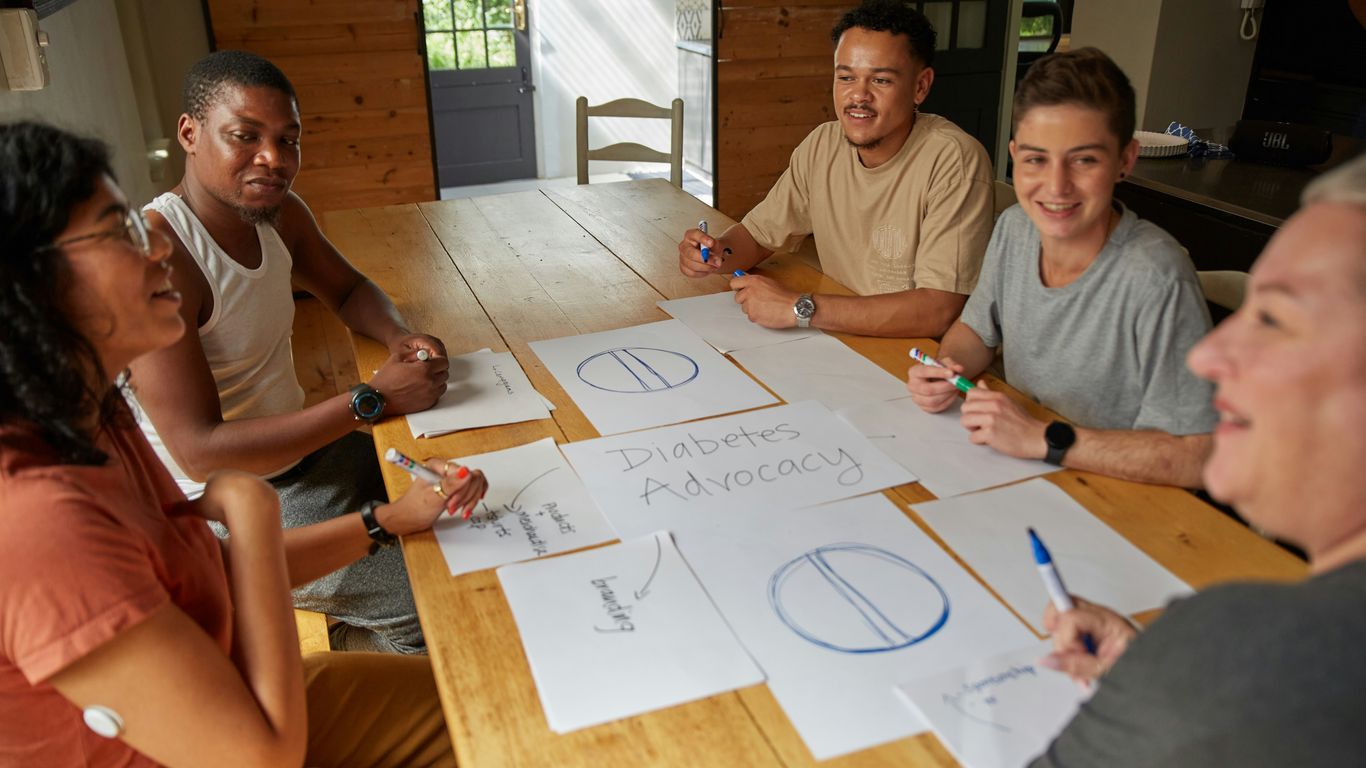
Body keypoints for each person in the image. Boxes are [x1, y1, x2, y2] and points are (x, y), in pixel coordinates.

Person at [0, 121, 487, 767]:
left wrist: (387, 519)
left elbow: (208, 577)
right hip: (241, 736)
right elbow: (260, 756)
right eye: (118, 231)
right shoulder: (39, 521)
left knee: (480, 703)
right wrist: (253, 513)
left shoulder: (95, 413)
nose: (155, 250)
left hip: (235, 684)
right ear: (30, 285)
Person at [1030, 154, 1366, 766]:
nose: (1209, 352)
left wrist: (1190, 678)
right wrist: (1160, 686)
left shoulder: (1251, 652)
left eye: (1271, 319)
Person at [127, 51, 450, 653]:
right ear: (189, 134)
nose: (273, 159)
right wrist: (368, 400)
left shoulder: (277, 214)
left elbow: (351, 289)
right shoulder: (162, 258)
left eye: (288, 140)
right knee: (429, 598)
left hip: (303, 457)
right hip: (220, 507)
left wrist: (398, 336)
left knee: (455, 501)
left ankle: (349, 614)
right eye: (244, 137)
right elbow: (199, 453)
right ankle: (375, 661)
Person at [905, 48, 1214, 487]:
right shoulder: (1015, 227)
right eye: (1036, 159)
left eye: (1084, 160)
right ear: (1014, 154)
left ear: (1125, 160)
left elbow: (1196, 457)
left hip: (1121, 496)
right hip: (1021, 472)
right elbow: (976, 331)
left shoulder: (1157, 276)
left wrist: (1043, 438)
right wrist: (947, 368)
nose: (1056, 186)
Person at [677, 0, 993, 338]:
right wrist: (716, 255)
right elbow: (757, 237)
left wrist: (801, 307)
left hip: (919, 358)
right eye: (846, 77)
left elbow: (938, 311)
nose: (858, 96)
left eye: (881, 81)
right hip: (839, 337)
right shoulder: (822, 145)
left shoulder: (954, 160)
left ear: (920, 86)